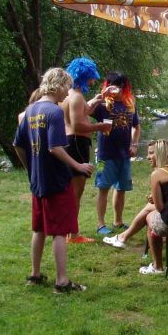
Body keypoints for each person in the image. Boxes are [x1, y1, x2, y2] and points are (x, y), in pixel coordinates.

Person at [13, 67, 94, 293]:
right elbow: (55, 147)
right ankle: (62, 281)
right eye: (66, 87)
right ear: (57, 85)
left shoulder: (30, 110)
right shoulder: (54, 112)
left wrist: (30, 168)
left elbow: (18, 145)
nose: (68, 93)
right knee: (60, 231)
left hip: (38, 180)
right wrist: (78, 165)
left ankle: (35, 275)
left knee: (39, 228)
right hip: (57, 180)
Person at [103, 139, 168, 275]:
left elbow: (160, 208)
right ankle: (122, 237)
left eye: (151, 153)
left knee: (150, 217)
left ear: (160, 153)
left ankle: (157, 267)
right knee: (150, 207)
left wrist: (155, 201)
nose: (148, 157)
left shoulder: (157, 174)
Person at [61, 57, 115, 244]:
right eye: (91, 77)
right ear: (84, 76)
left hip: (72, 143)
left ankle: (69, 231)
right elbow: (77, 125)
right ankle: (73, 234)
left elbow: (84, 111)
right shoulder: (76, 97)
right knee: (76, 191)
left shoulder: (70, 94)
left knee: (73, 190)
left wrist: (97, 99)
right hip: (76, 143)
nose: (92, 81)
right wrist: (100, 127)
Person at [92, 72, 141, 235]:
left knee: (121, 188)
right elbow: (84, 110)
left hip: (124, 154)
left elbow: (136, 126)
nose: (116, 90)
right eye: (112, 85)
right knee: (103, 187)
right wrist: (101, 96)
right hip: (104, 155)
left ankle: (118, 221)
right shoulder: (103, 104)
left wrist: (134, 145)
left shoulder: (130, 104)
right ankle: (100, 224)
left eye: (120, 86)